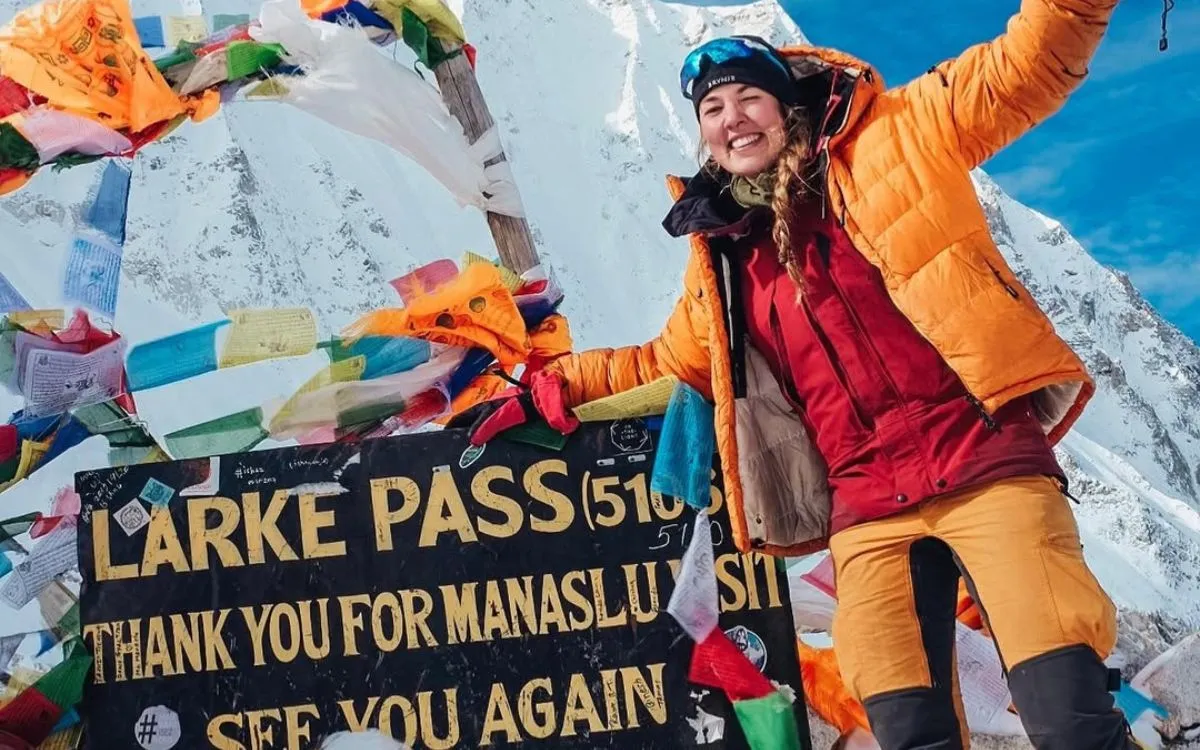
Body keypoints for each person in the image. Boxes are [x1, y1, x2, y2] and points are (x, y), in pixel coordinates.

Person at [457, 2, 1132, 748]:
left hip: (986, 463)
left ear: (787, 106)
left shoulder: (900, 135)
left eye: (749, 96)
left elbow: (1025, 66)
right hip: (867, 507)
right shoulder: (723, 257)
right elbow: (664, 362)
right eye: (713, 109)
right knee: (906, 729)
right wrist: (548, 388)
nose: (733, 118)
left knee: (1067, 714)